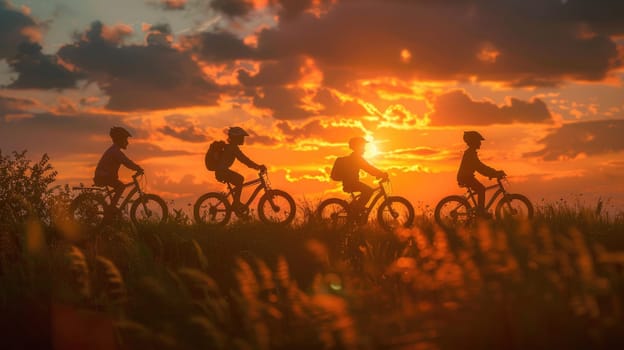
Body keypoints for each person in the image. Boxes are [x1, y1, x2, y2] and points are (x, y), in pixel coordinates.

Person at [215, 127, 266, 213]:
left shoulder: (231, 147)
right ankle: (236, 203)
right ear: (236, 138)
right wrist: (257, 166)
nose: (243, 139)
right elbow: (244, 160)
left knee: (239, 180)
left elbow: (244, 160)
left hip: (222, 171)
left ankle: (236, 203)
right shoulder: (232, 148)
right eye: (241, 137)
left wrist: (256, 166)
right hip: (222, 171)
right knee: (240, 179)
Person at [457, 131, 505, 217]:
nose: (480, 143)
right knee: (481, 189)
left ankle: (480, 210)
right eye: (478, 141)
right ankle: (481, 212)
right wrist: (494, 173)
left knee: (480, 189)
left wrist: (493, 173)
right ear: (473, 142)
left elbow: (481, 167)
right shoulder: (470, 154)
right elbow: (480, 168)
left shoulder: (471, 152)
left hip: (466, 177)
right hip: (466, 177)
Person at [94, 126, 143, 209]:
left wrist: (136, 167)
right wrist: (137, 168)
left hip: (104, 176)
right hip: (104, 176)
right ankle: (111, 208)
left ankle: (111, 208)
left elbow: (126, 161)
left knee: (119, 186)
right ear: (120, 140)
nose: (127, 143)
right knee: (121, 187)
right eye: (125, 140)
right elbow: (126, 162)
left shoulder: (114, 150)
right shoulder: (115, 151)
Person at [340, 137, 388, 217]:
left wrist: (379, 174)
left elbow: (368, 168)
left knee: (368, 191)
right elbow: (368, 168)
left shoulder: (355, 157)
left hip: (351, 182)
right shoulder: (356, 158)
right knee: (368, 191)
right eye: (363, 146)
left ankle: (355, 209)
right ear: (357, 146)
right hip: (351, 183)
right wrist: (381, 174)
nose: (364, 149)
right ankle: (356, 210)